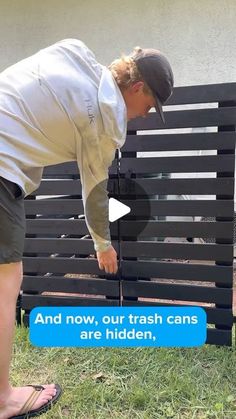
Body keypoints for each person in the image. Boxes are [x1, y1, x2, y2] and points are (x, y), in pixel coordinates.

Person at [0, 39, 173, 418]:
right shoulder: (106, 117)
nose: (144, 115)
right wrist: (102, 245)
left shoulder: (74, 53)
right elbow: (96, 193)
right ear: (137, 87)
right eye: (148, 106)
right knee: (5, 280)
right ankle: (2, 398)